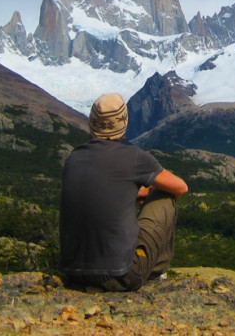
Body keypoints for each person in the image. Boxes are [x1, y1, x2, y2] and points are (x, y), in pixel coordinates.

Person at [59, 92, 188, 291]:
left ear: (92, 122)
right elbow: (180, 187)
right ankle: (154, 269)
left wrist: (129, 192)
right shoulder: (134, 156)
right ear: (123, 122)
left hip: (73, 273)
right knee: (165, 196)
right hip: (121, 276)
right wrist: (148, 188)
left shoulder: (74, 157)